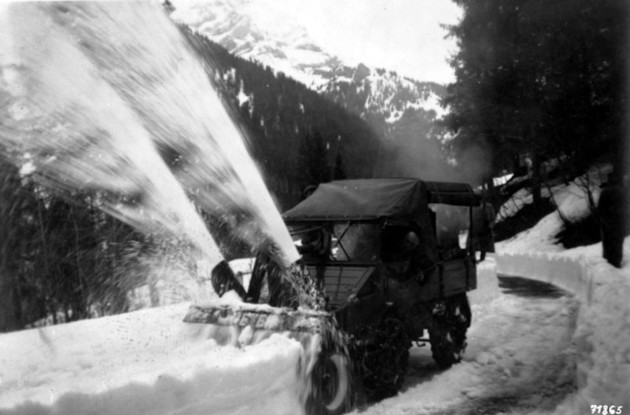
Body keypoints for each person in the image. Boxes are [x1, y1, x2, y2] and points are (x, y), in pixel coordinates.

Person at [598, 171, 627, 268]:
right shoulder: (622, 191)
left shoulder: (605, 192)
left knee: (608, 241)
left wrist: (602, 219)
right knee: (618, 242)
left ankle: (609, 262)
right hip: (619, 221)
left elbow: (600, 209)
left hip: (607, 222)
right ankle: (616, 261)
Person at [470, 195, 496, 262]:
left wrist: (490, 225)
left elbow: (493, 218)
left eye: (481, 200)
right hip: (477, 228)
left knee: (484, 244)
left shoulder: (489, 207)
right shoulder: (473, 207)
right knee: (473, 243)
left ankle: (483, 258)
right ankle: (473, 258)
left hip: (486, 228)